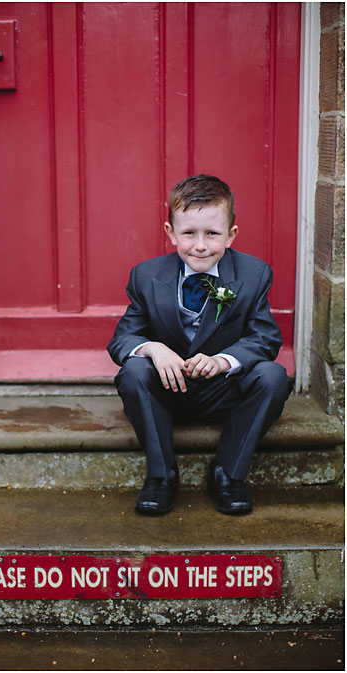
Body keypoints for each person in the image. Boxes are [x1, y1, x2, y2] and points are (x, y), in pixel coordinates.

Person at [107, 174, 290, 516]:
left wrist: (224, 360)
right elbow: (122, 339)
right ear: (170, 232)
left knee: (274, 376)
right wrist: (152, 349)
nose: (200, 245)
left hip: (225, 390)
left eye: (212, 234)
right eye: (189, 233)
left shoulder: (254, 273)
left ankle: (226, 474)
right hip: (169, 391)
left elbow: (265, 338)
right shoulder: (146, 276)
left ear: (231, 235)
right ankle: (161, 475)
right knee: (133, 369)